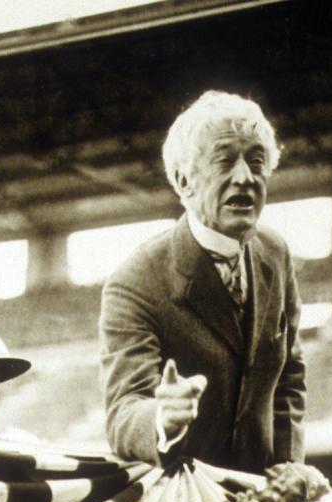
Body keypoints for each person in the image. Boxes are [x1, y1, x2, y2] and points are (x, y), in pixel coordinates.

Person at [99, 90, 306, 473]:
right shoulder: (135, 281)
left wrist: (289, 462)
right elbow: (123, 413)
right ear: (183, 180)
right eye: (224, 161)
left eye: (257, 162)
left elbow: (289, 377)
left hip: (261, 499)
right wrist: (163, 417)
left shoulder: (275, 254)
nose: (245, 177)